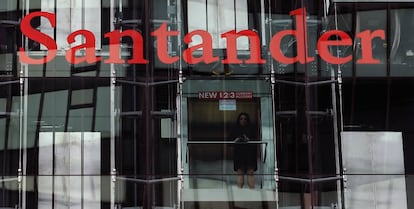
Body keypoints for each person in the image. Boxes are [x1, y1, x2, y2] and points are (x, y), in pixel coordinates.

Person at [231, 112, 258, 188]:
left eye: (245, 119)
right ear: (238, 120)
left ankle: (252, 192)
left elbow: (256, 141)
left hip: (250, 154)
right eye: (241, 119)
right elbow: (229, 142)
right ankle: (240, 192)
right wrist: (235, 140)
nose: (243, 120)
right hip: (239, 154)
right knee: (240, 172)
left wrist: (249, 140)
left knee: (250, 172)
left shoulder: (251, 129)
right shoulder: (235, 129)